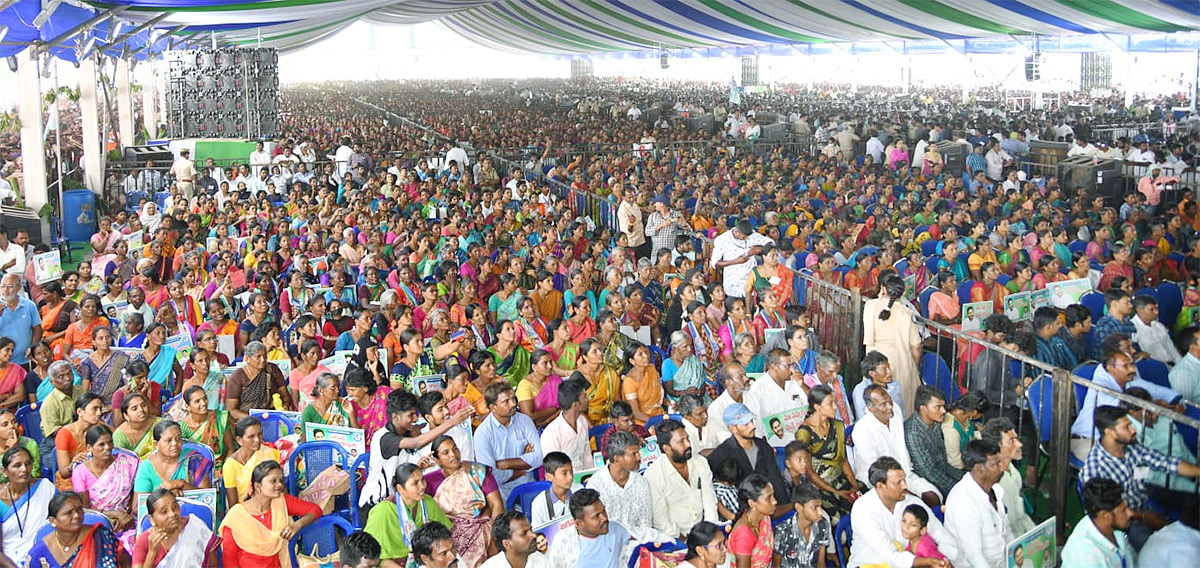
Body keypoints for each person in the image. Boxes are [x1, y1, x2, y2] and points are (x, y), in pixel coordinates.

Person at [1080, 405, 1200, 548]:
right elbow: (1104, 515)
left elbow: (1166, 463)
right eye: (1126, 427)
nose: (1133, 430)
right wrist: (1144, 517)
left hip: (1143, 507)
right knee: (1158, 546)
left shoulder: (1131, 448)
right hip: (1123, 524)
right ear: (1109, 432)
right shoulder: (1095, 470)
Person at [847, 456, 954, 568]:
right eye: (898, 482)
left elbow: (940, 535)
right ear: (880, 486)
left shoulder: (912, 502)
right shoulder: (863, 509)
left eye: (904, 480)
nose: (905, 486)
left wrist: (945, 561)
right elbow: (890, 556)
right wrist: (929, 562)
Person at [220, 460, 322, 567]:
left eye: (281, 480)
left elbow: (315, 510)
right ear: (258, 486)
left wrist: (297, 525)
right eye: (273, 481)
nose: (279, 485)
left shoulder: (282, 502)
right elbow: (229, 560)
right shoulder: (236, 517)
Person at [852, 384, 941, 506]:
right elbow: (875, 472)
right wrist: (903, 488)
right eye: (883, 404)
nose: (890, 406)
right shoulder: (862, 430)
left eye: (889, 400)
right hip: (882, 482)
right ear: (871, 408)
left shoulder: (895, 411)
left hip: (906, 474)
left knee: (934, 497)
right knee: (916, 504)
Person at [426, 435, 503, 568]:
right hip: (449, 537)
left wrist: (494, 539)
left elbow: (496, 504)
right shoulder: (429, 481)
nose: (453, 454)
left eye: (455, 449)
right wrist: (418, 467)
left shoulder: (477, 471)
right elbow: (409, 496)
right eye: (446, 452)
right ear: (437, 460)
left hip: (482, 533)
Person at [586, 430, 672, 544]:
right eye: (634, 454)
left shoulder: (641, 483)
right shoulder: (596, 485)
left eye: (638, 453)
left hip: (639, 543)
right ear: (617, 458)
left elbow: (645, 524)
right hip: (608, 543)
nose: (639, 458)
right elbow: (595, 528)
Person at [363, 462, 451, 568]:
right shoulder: (382, 512)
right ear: (400, 488)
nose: (422, 486)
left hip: (423, 561)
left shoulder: (428, 502)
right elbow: (370, 556)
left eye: (422, 480)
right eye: (415, 483)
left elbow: (445, 534)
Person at [794, 385, 861, 518]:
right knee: (837, 516)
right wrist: (836, 492)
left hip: (840, 479)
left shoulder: (838, 426)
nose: (835, 407)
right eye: (830, 403)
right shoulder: (805, 433)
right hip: (819, 486)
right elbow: (809, 472)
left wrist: (854, 486)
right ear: (817, 407)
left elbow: (843, 460)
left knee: (865, 503)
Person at [644, 419, 717, 539]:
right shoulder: (654, 475)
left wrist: (710, 533)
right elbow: (661, 522)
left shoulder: (700, 463)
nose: (688, 444)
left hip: (703, 532)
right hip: (674, 538)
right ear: (667, 449)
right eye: (681, 442)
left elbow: (710, 502)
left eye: (687, 438)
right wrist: (685, 541)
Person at [944, 439, 1011, 568]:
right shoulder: (963, 502)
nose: (1002, 468)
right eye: (996, 464)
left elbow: (1006, 533)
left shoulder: (995, 490)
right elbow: (974, 557)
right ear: (979, 468)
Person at [862, 275, 923, 415]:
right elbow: (916, 346)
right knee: (902, 402)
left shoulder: (870, 306)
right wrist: (915, 365)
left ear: (883, 289)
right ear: (902, 293)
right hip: (900, 359)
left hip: (875, 358)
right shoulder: (905, 313)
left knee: (874, 395)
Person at [473, 381, 543, 500]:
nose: (513, 404)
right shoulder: (483, 433)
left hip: (528, 485)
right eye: (506, 401)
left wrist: (503, 464)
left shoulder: (525, 421)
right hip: (501, 493)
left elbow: (539, 457)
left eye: (513, 399)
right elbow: (489, 475)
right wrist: (520, 468)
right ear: (493, 407)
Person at [705, 403, 788, 502]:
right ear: (733, 428)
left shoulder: (763, 447)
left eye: (751, 421)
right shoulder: (722, 453)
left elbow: (776, 481)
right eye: (745, 424)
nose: (752, 426)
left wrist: (783, 506)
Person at [23, 491, 121, 568]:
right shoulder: (39, 552)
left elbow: (125, 562)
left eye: (79, 509)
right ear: (53, 521)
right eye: (69, 513)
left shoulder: (99, 536)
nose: (77, 515)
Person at [71, 425, 138, 538]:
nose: (107, 447)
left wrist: (125, 514)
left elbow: (137, 492)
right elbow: (85, 509)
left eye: (110, 442)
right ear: (89, 448)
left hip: (128, 519)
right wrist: (114, 514)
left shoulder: (127, 463)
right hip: (96, 522)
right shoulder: (80, 472)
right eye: (101, 444)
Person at [131, 488, 220, 568]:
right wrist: (152, 552)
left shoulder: (194, 526)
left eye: (174, 507)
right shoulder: (144, 541)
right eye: (164, 511)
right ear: (152, 519)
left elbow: (213, 564)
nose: (172, 514)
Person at [904, 385, 964, 499]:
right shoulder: (913, 433)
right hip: (929, 480)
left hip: (943, 471)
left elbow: (943, 465)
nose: (944, 411)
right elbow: (928, 472)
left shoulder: (935, 422)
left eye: (943, 406)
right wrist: (957, 487)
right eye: (938, 407)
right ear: (923, 408)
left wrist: (965, 478)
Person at [979, 418, 1037, 536]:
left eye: (1017, 439)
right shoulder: (992, 484)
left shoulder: (1013, 472)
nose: (1019, 444)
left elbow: (1020, 516)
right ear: (996, 447)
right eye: (1011, 441)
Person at [546, 489, 631, 568]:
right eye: (596, 516)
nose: (604, 518)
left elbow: (635, 544)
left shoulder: (616, 529)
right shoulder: (564, 541)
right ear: (579, 523)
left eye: (604, 511)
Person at [133, 421, 213, 504]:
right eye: (168, 440)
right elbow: (138, 505)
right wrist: (167, 496)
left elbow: (208, 497)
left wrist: (181, 484)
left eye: (178, 438)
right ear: (156, 444)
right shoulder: (147, 468)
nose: (174, 443)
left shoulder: (193, 459)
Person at [1061, 477, 1134, 568]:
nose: (1131, 513)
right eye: (1123, 510)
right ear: (1105, 515)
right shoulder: (1088, 558)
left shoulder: (1106, 527)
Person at [743, 349, 806, 443]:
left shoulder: (794, 382)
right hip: (773, 443)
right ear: (774, 367)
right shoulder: (757, 390)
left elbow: (810, 405)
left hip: (798, 440)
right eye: (787, 366)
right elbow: (756, 424)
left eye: (793, 365)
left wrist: (802, 385)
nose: (792, 369)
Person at [222, 416, 282, 506]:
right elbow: (233, 504)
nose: (257, 440)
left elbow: (281, 489)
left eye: (259, 434)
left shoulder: (271, 454)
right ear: (239, 440)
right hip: (244, 509)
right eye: (251, 437)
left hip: (272, 505)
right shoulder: (230, 466)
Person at [710, 220, 773, 299]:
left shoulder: (752, 235)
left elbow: (771, 243)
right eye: (743, 237)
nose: (746, 238)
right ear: (737, 232)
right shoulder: (722, 240)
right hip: (733, 281)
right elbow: (715, 263)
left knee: (752, 300)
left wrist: (759, 249)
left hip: (750, 277)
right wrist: (736, 261)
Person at [772, 483, 831, 568]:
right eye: (814, 508)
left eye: (820, 507)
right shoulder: (783, 531)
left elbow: (821, 562)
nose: (820, 512)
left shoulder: (822, 524)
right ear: (799, 507)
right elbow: (776, 565)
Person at [55, 393, 105, 491]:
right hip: (70, 481)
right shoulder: (64, 434)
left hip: (96, 475)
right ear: (79, 411)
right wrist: (74, 464)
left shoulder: (100, 427)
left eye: (100, 409)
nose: (99, 413)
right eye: (95, 409)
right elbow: (64, 473)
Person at [539, 377, 590, 470]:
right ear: (575, 404)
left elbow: (587, 457)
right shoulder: (551, 434)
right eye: (584, 397)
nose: (588, 399)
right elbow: (555, 470)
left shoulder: (582, 421)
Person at [728, 474, 776, 568]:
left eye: (773, 496)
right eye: (768, 498)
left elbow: (778, 511)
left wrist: (793, 505)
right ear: (752, 503)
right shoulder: (744, 535)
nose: (774, 501)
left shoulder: (763, 516)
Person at [417, 391, 475, 466]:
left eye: (446, 406)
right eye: (440, 409)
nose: (447, 411)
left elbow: (467, 465)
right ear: (428, 417)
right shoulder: (419, 439)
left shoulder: (461, 434)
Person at [482, 510, 551, 568]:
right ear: (507, 544)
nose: (534, 535)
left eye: (531, 530)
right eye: (524, 533)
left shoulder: (540, 561)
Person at [850, 351, 905, 422]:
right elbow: (863, 417)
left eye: (889, 367)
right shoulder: (861, 391)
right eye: (884, 369)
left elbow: (901, 414)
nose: (889, 372)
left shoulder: (895, 386)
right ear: (872, 373)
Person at [528, 452, 579, 528]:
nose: (570, 477)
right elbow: (538, 533)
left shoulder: (579, 491)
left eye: (571, 471)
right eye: (564, 473)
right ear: (549, 476)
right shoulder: (539, 504)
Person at [705, 362, 747, 446]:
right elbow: (721, 439)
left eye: (745, 375)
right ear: (729, 382)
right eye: (741, 377)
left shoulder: (752, 397)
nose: (746, 379)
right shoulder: (717, 408)